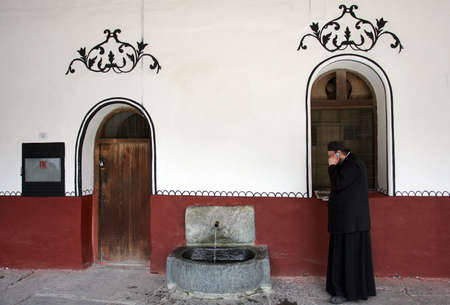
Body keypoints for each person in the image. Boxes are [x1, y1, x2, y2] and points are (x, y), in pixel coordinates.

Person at [325, 141, 376, 304]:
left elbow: (338, 184)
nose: (329, 159)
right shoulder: (352, 163)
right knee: (348, 256)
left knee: (346, 257)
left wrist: (332, 167)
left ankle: (344, 292)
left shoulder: (351, 165)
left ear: (338, 153)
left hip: (349, 223)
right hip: (350, 222)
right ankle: (349, 289)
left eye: (330, 156)